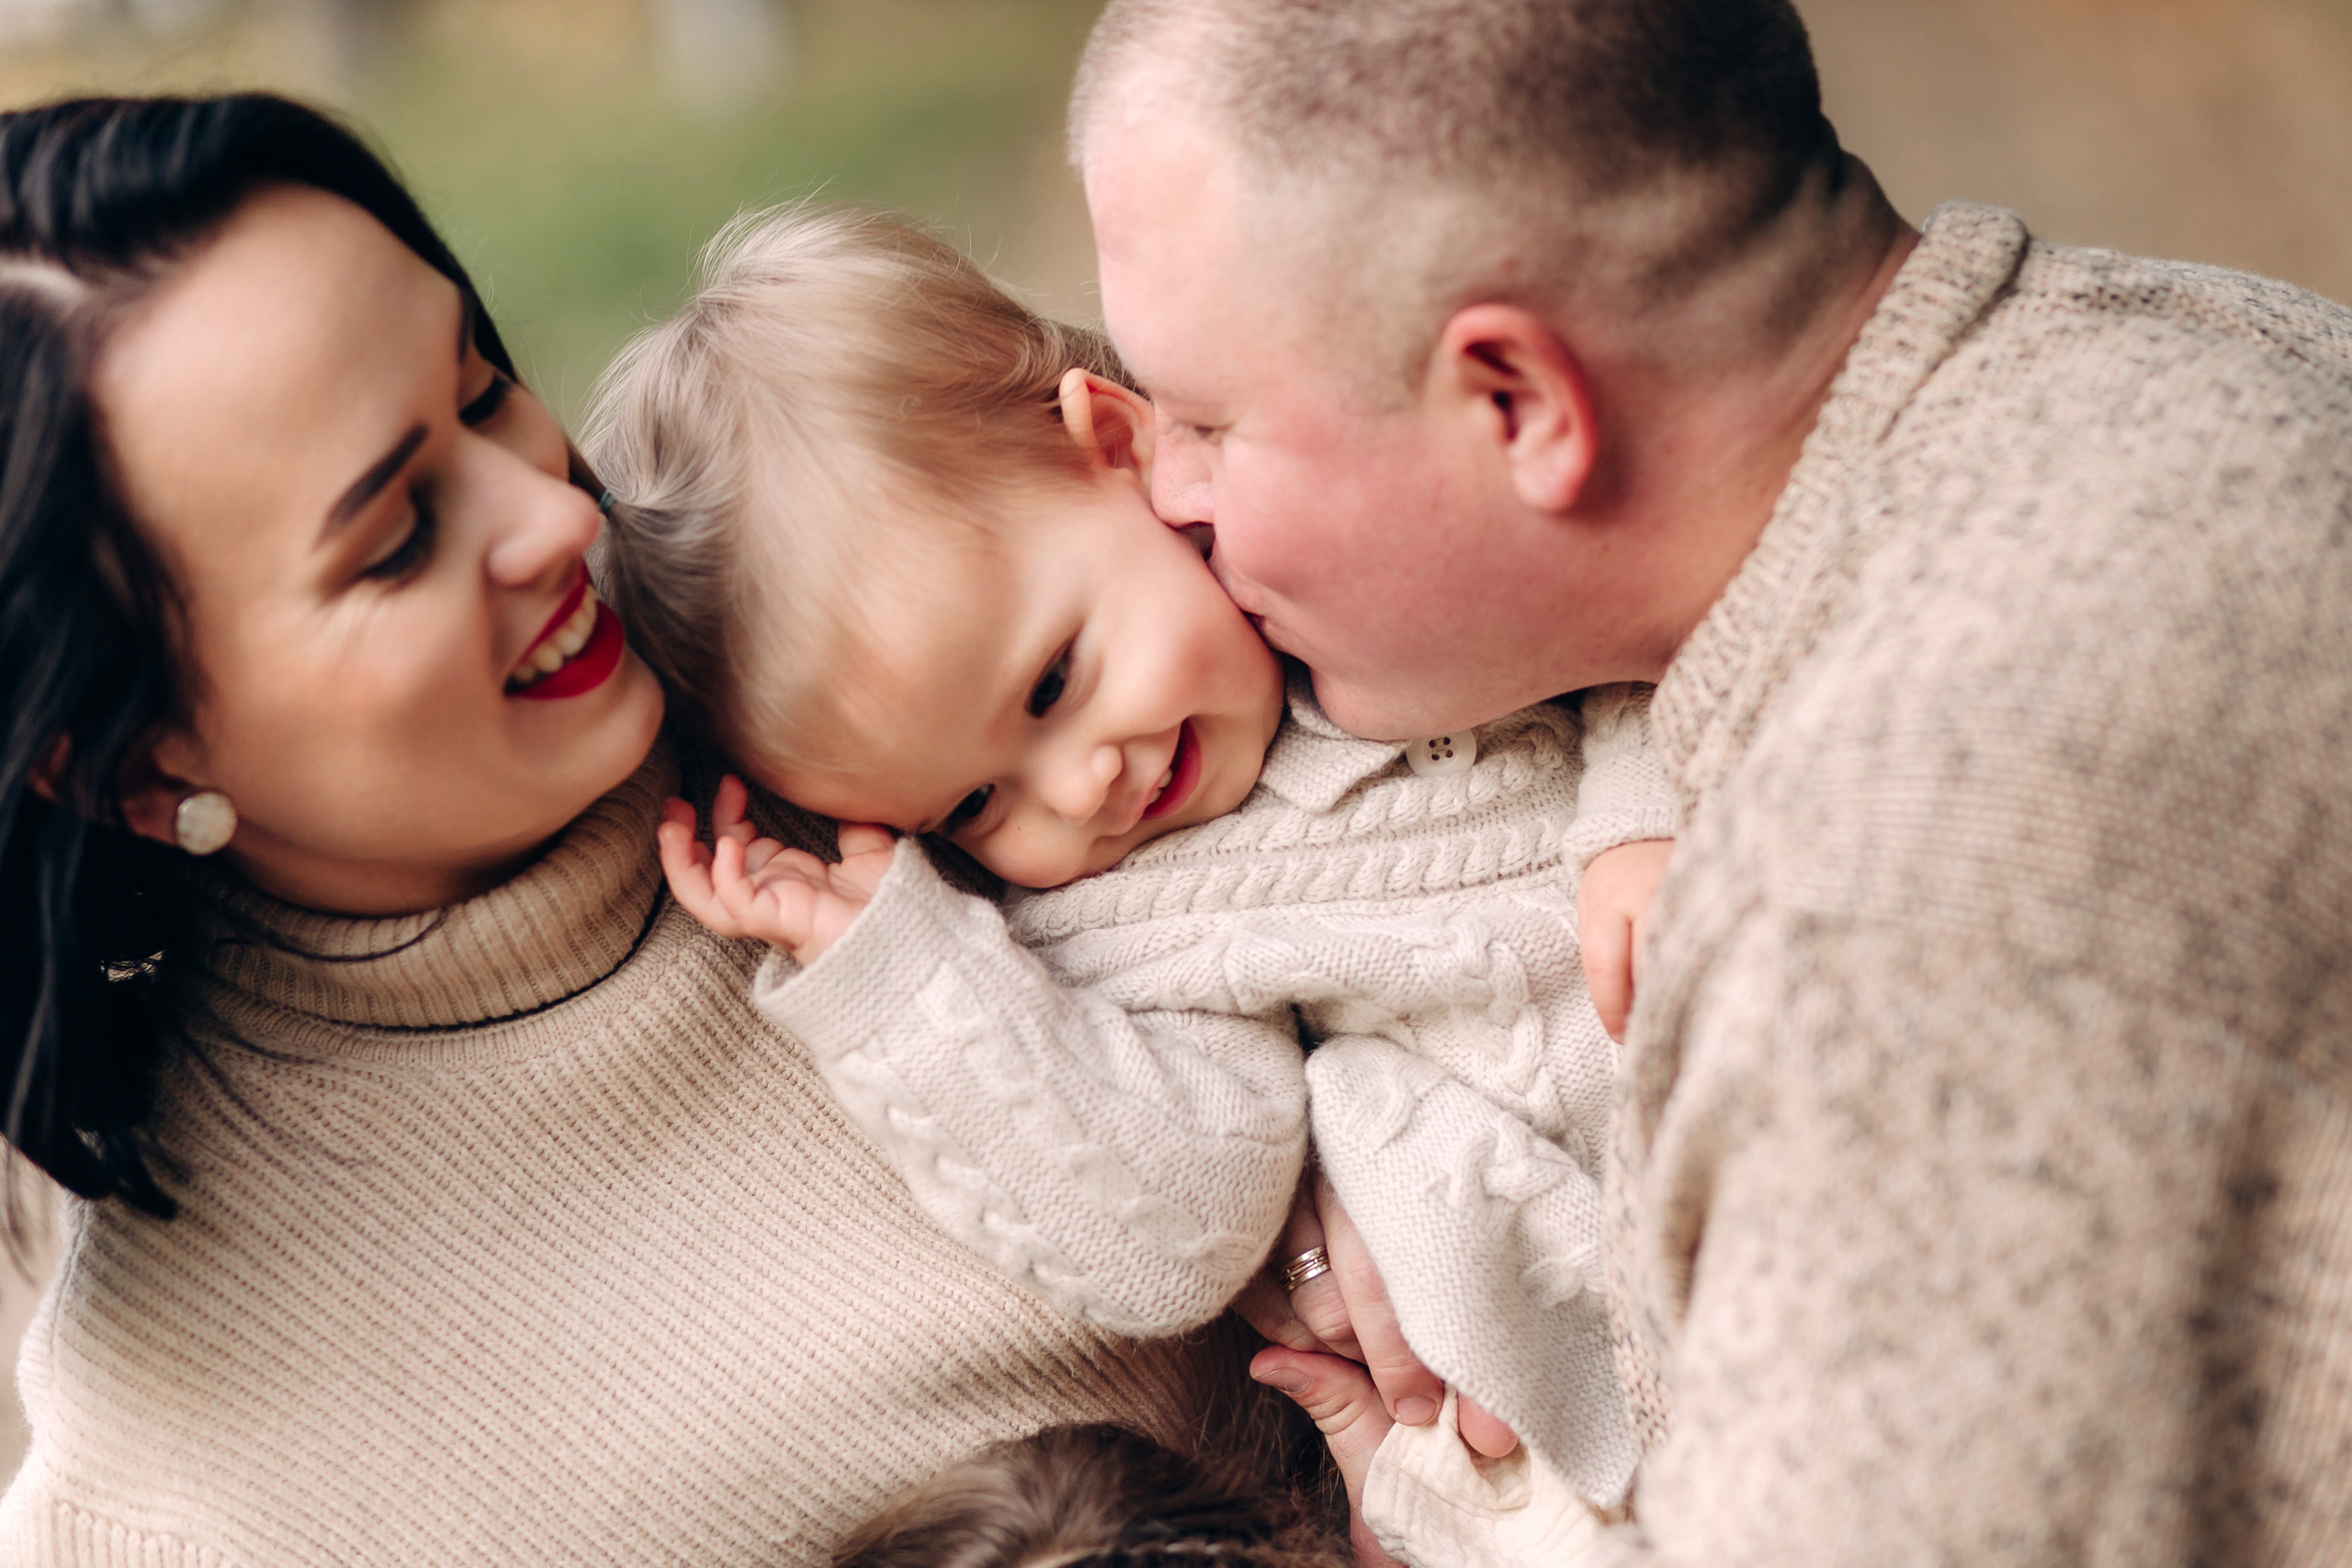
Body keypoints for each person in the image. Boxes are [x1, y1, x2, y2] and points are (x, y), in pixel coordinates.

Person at [1068, 0, 2352, 1562]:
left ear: (1515, 405)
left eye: (1204, 422)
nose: (1175, 506)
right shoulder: (2200, 340)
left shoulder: (1886, 910)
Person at [0, 93, 1287, 1564]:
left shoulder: (851, 616)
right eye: (396, 539)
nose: (555, 522)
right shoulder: (195, 1482)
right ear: (136, 772)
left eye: (481, 389)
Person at [587, 205, 1682, 1568]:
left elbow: (1647, 604)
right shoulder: (1115, 923)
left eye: (1052, 680)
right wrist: (902, 970)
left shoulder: (1367, 563)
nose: (1076, 785)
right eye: (973, 804)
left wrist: (1639, 822)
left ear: (1115, 445)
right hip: (1618, 1395)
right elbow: (1172, 1229)